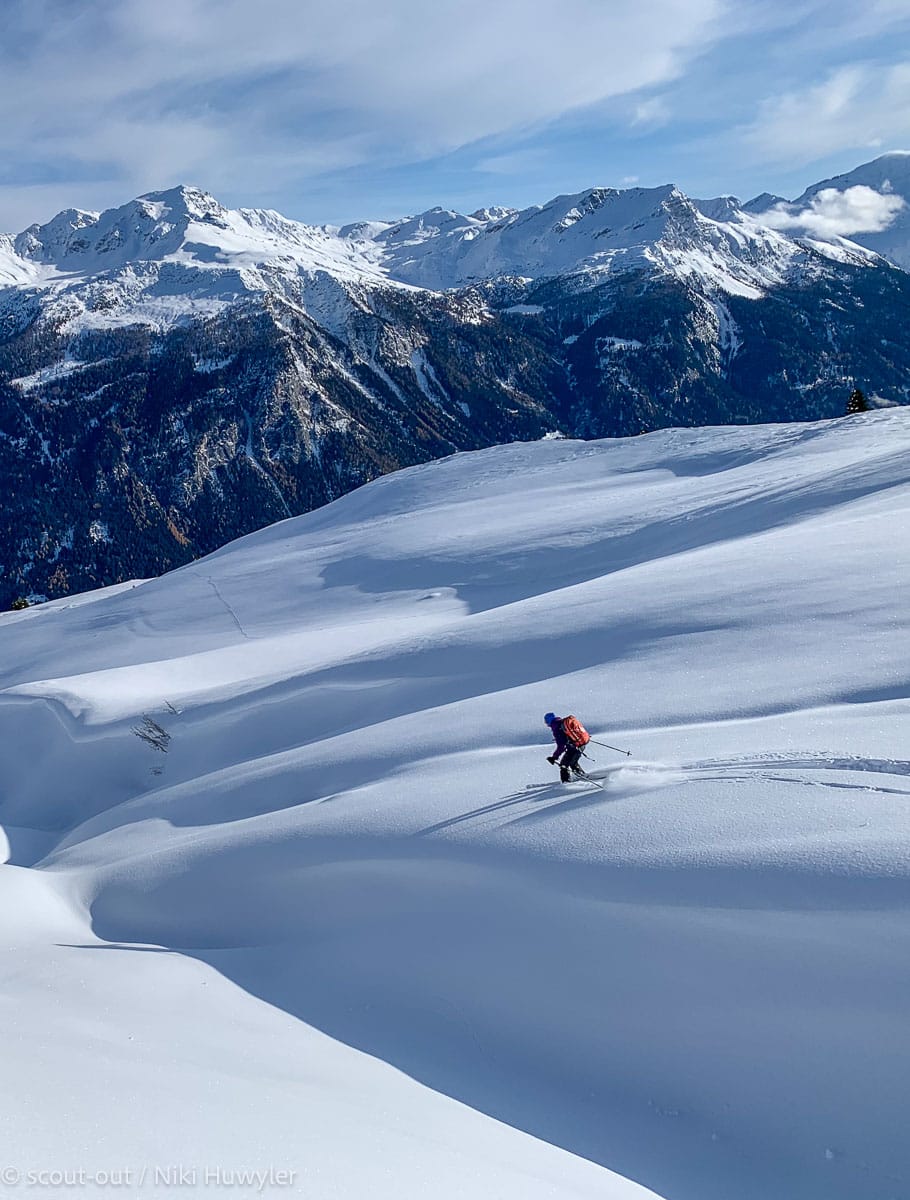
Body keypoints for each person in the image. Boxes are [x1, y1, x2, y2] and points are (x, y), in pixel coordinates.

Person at [544, 712, 589, 782]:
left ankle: (566, 783)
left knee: (564, 765)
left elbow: (561, 746)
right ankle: (581, 775)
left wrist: (554, 757)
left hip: (574, 747)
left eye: (546, 722)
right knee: (572, 762)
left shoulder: (556, 728)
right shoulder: (561, 723)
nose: (546, 724)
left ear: (549, 721)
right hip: (580, 744)